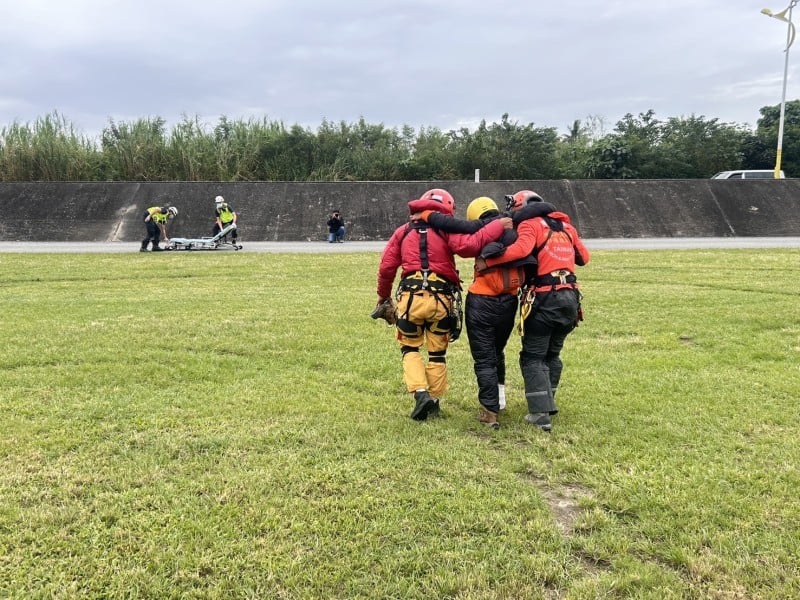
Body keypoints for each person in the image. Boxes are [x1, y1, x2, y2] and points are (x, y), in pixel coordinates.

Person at [411, 195, 556, 429]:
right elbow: (543, 208)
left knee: (484, 359)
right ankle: (499, 400)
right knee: (497, 353)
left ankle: (490, 413)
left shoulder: (482, 229)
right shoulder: (514, 225)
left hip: (481, 302)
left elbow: (457, 229)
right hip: (509, 302)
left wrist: (426, 215)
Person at [375, 188, 513, 422]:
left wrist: (383, 296)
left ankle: (421, 393)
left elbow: (387, 267)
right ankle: (435, 401)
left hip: (410, 300)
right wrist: (499, 225)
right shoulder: (445, 229)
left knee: (410, 349)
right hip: (442, 300)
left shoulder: (402, 231)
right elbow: (470, 247)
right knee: (437, 353)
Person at [481, 190, 590, 432]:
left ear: (521, 205)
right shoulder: (565, 227)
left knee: (533, 356)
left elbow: (520, 251)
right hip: (570, 297)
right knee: (553, 354)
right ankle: (547, 400)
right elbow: (584, 257)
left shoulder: (531, 224)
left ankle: (540, 414)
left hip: (544, 298)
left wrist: (491, 259)